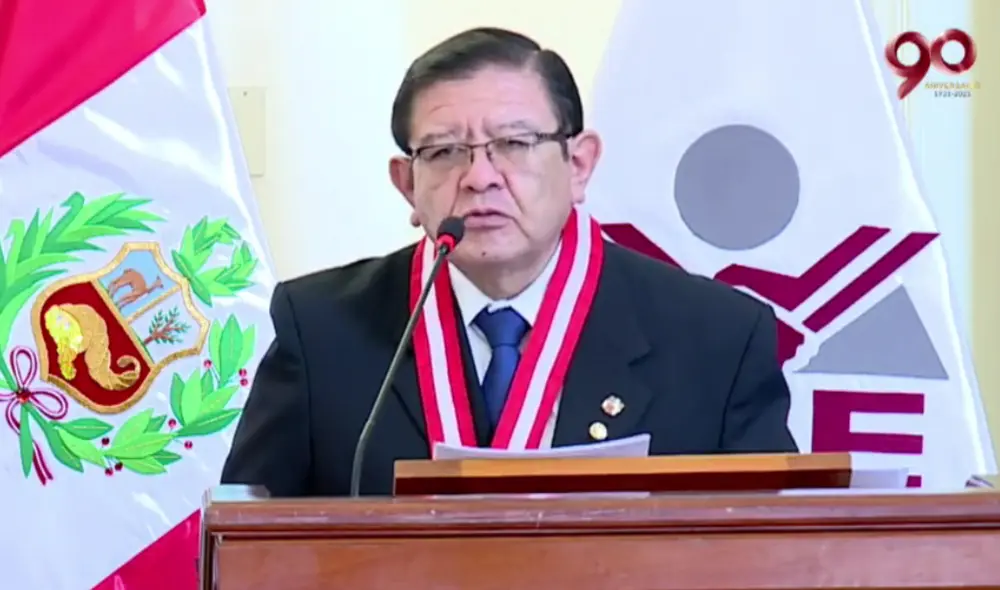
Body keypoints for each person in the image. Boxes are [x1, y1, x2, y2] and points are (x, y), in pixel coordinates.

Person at [220, 27, 799, 497]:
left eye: (514, 144)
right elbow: (247, 549)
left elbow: (774, 552)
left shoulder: (715, 338)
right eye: (444, 151)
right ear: (407, 185)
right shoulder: (320, 331)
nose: (479, 177)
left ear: (579, 165)